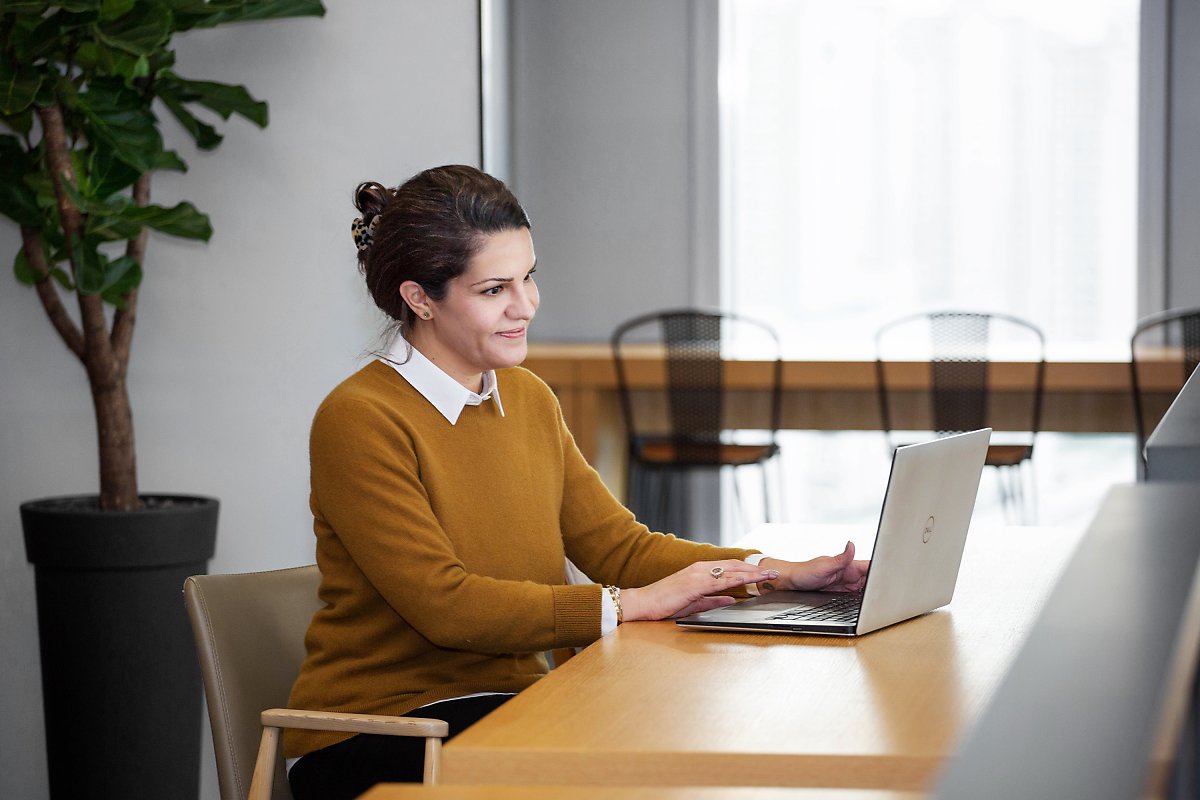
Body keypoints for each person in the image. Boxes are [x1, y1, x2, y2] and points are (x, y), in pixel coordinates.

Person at [285, 165, 868, 799]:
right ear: (420, 298)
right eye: (493, 290)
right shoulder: (360, 418)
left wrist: (777, 573)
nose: (525, 305)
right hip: (382, 732)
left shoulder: (527, 398)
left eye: (529, 276)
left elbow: (622, 550)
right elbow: (446, 608)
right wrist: (629, 605)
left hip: (514, 706)